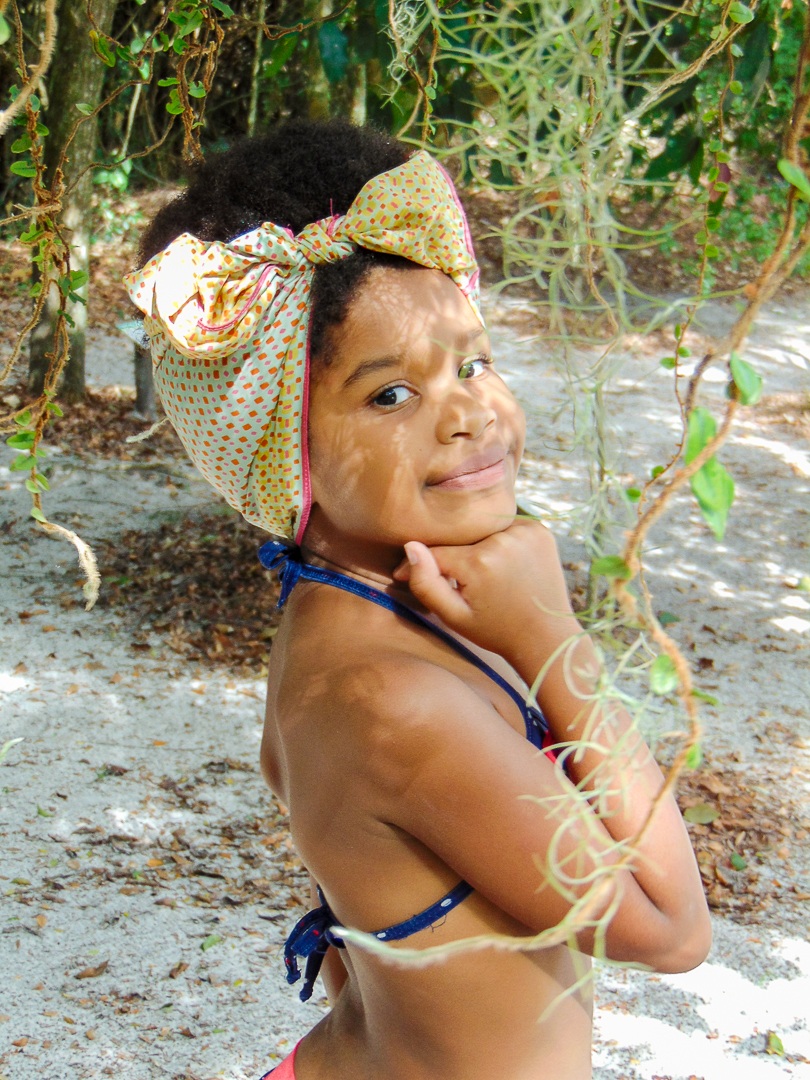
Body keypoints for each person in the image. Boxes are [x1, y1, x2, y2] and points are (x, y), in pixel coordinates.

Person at [125, 118, 711, 1080]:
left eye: (472, 363)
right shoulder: (393, 700)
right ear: (279, 449)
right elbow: (674, 930)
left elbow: (365, 911)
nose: (472, 413)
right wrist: (551, 636)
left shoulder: (345, 614)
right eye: (390, 395)